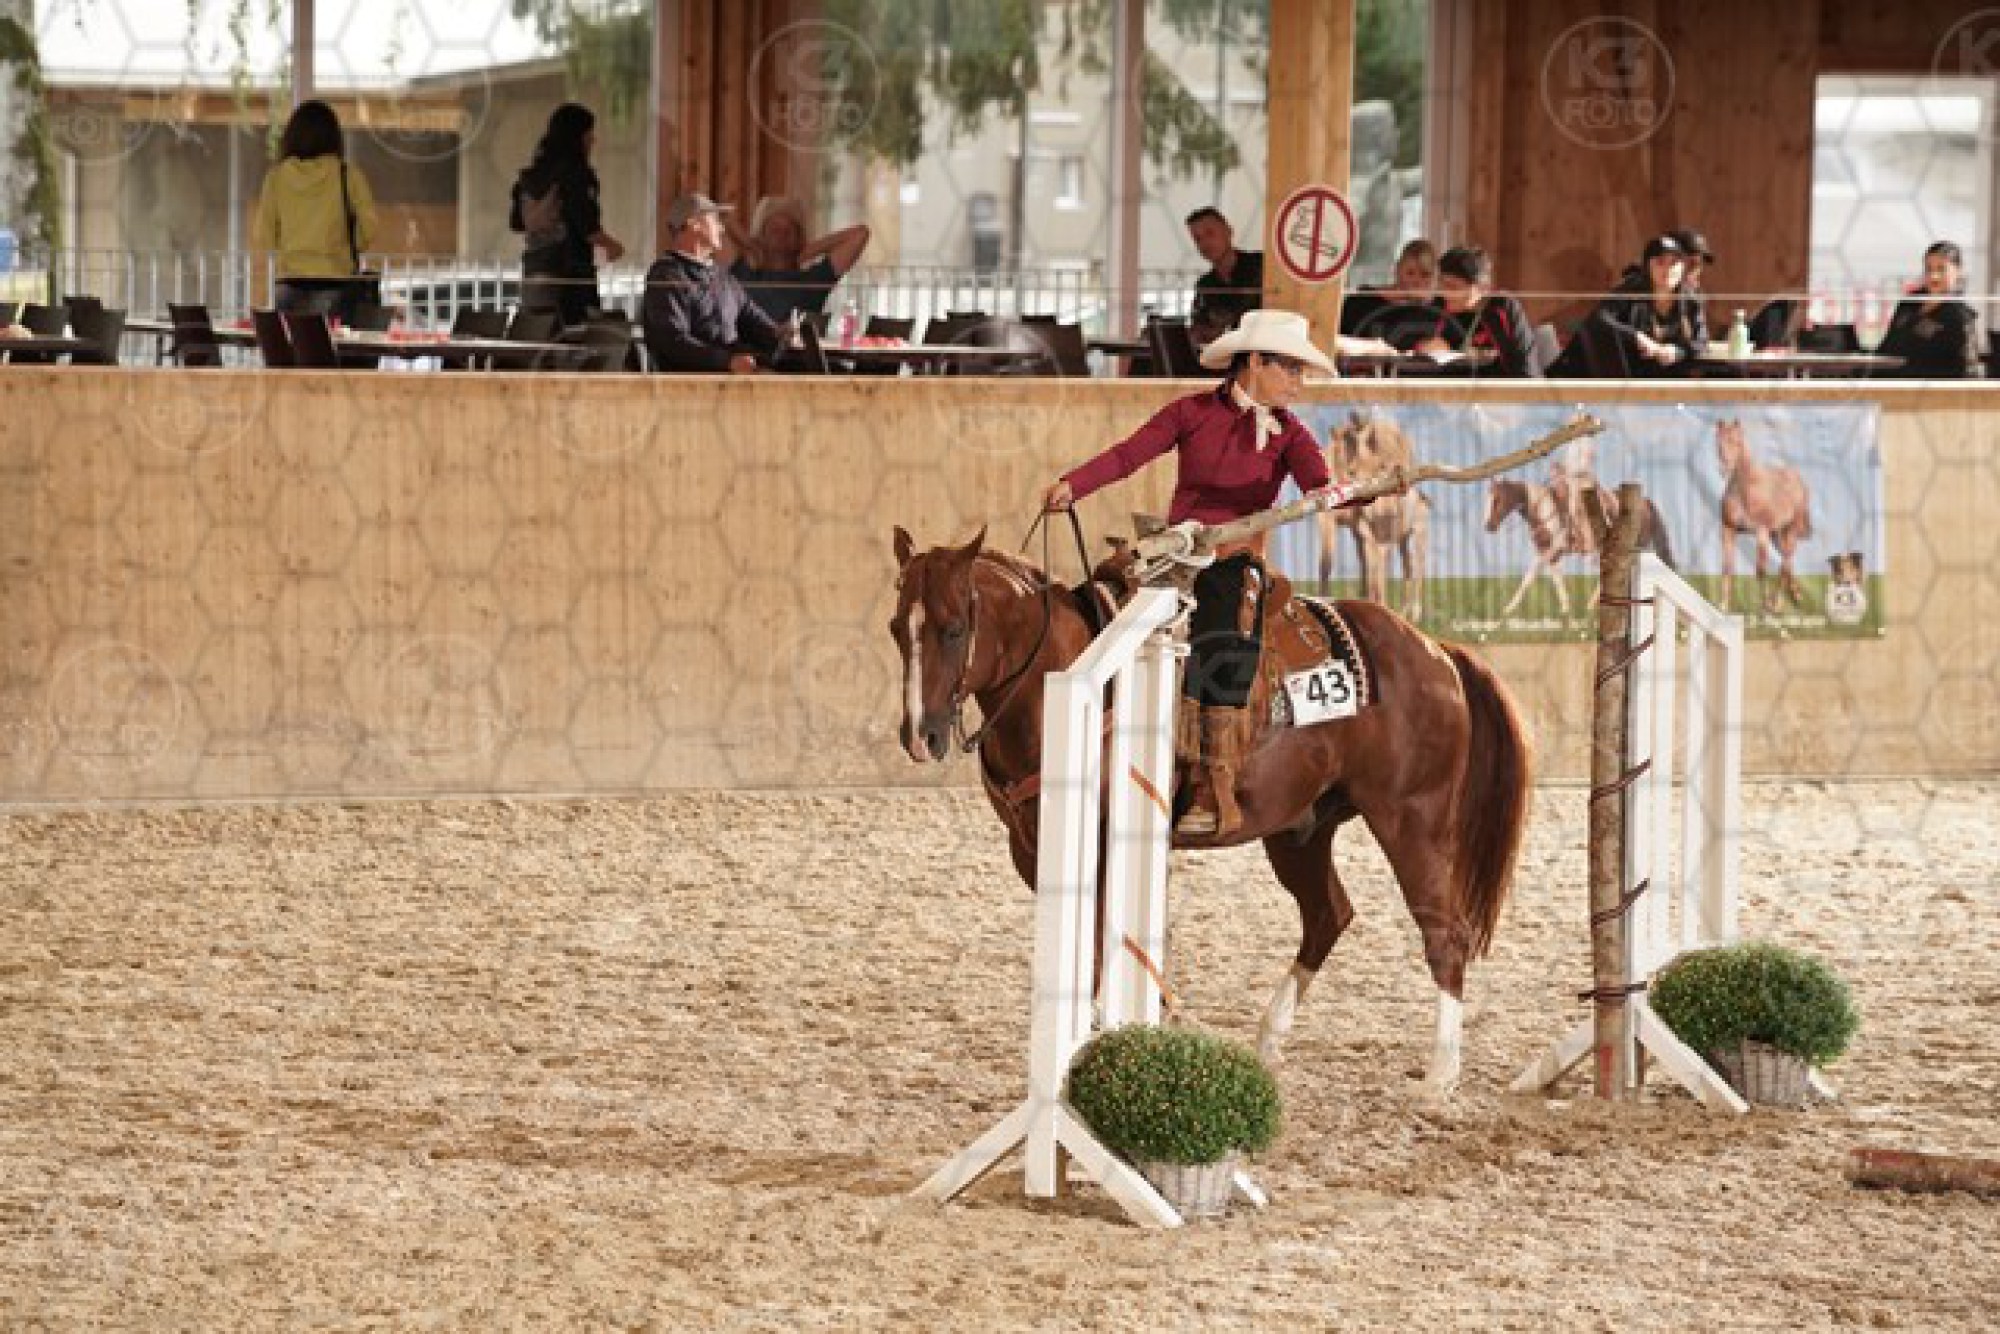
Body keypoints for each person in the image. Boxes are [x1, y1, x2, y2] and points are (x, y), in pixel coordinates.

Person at [1041, 310, 1342, 840]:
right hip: (1173, 551)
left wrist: (1344, 493)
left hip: (1234, 559)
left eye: (1302, 372)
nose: (1299, 383)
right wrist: (1074, 485)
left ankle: (1211, 777)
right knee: (1102, 598)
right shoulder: (1191, 411)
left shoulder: (1291, 434)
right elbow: (1129, 455)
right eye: (1291, 369)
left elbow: (1320, 482)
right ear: (1255, 361)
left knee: (1222, 628)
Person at [252, 100, 377, 322]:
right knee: (332, 344)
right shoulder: (348, 176)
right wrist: (349, 243)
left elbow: (264, 236)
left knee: (297, 344)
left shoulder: (276, 178)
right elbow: (369, 230)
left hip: (290, 283)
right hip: (337, 281)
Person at [642, 192, 789, 374]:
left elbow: (752, 318)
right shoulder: (666, 275)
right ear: (694, 224)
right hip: (688, 384)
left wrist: (782, 334)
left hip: (731, 377)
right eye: (715, 221)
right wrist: (727, 361)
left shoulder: (722, 276)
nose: (722, 229)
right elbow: (672, 341)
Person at [510, 103, 625, 329]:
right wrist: (613, 247)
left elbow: (516, 223)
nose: (592, 140)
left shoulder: (527, 179)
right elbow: (587, 225)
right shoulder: (576, 175)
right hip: (570, 276)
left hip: (535, 272)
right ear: (577, 137)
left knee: (542, 334)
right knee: (577, 336)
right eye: (589, 133)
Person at [1551, 234, 1702, 377]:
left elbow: (1700, 341)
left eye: (1674, 263)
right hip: (1607, 377)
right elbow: (1599, 318)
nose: (1668, 269)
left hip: (1662, 379)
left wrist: (1676, 352)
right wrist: (1637, 336)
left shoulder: (1690, 300)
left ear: (1682, 267)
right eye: (1660, 262)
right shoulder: (1631, 289)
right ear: (1648, 266)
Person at [727, 196, 871, 324]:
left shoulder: (814, 278)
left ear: (800, 239)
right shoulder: (744, 275)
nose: (782, 235)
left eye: (790, 230)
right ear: (761, 237)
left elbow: (860, 234)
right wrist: (751, 246)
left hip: (797, 346)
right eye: (774, 230)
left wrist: (808, 250)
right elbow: (719, 221)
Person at [1413, 244, 1539, 377]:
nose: (1445, 293)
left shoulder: (1503, 308)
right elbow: (1410, 342)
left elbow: (1526, 372)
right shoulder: (1439, 304)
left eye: (1453, 287)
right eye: (1441, 284)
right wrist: (1423, 346)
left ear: (1482, 288)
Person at [1875, 240, 1983, 378]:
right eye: (1929, 269)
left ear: (1958, 271)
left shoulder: (1962, 317)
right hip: (1887, 382)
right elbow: (1886, 346)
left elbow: (1969, 372)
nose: (1933, 276)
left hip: (1929, 386)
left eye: (1941, 269)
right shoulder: (1909, 302)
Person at [1186, 207, 1265, 348]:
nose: (1205, 243)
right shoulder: (1205, 285)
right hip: (1224, 354)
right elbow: (1199, 328)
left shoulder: (1262, 266)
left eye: (1210, 233)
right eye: (1197, 239)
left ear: (1229, 231)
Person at [1340, 238, 1438, 338]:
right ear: (1397, 269)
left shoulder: (1434, 311)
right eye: (1410, 273)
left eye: (1425, 275)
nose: (1417, 281)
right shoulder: (1361, 300)